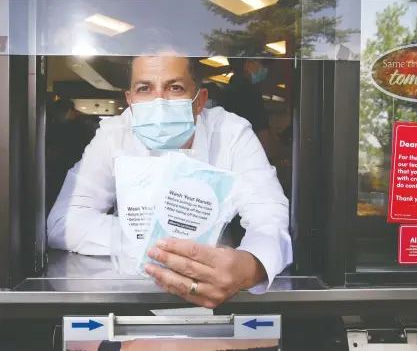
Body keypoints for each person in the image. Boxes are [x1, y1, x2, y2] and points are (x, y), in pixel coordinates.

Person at [47, 50, 292, 308]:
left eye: (175, 88)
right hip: (128, 295)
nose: (159, 102)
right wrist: (154, 240)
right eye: (145, 89)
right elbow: (64, 221)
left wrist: (250, 266)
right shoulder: (114, 135)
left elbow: (268, 215)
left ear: (200, 101)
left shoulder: (230, 133)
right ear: (130, 101)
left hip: (217, 294)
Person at [221, 58, 284, 160]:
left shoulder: (226, 91)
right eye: (261, 63)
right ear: (248, 63)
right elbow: (264, 139)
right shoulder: (250, 93)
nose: (263, 68)